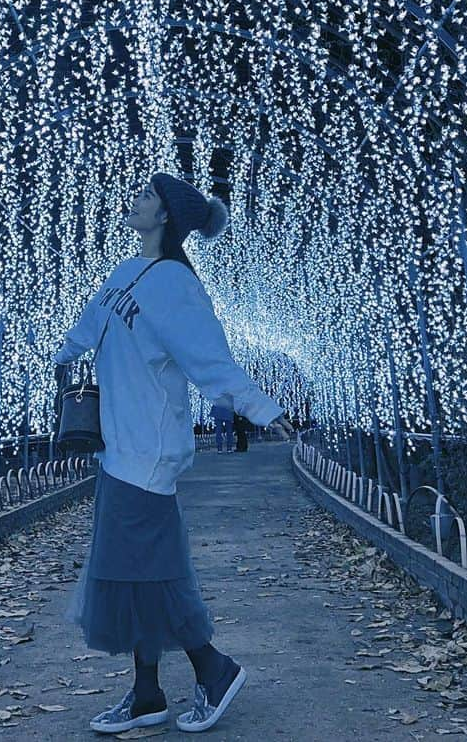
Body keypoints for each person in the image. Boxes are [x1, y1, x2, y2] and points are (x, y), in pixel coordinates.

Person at [53, 173, 296, 735]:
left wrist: (263, 409)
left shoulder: (175, 286)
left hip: (151, 451)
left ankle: (214, 668)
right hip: (119, 445)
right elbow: (86, 329)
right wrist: (61, 353)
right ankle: (147, 693)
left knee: (149, 573)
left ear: (165, 216)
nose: (134, 199)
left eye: (146, 195)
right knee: (135, 572)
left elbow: (211, 359)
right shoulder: (124, 273)